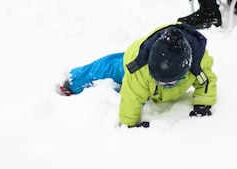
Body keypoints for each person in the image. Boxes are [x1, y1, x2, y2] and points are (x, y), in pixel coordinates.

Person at [56, 23, 217, 128]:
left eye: (169, 82)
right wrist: (129, 124)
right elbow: (131, 97)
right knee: (106, 69)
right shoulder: (139, 69)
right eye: (159, 80)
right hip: (134, 59)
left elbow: (206, 83)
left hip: (169, 58)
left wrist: (202, 104)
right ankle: (74, 80)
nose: (164, 84)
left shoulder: (198, 65)